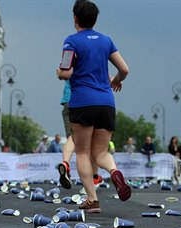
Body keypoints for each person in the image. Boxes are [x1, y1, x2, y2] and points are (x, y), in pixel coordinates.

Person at [56, 0, 131, 213]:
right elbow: (125, 69)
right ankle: (115, 171)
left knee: (82, 152)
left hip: (82, 103)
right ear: (95, 19)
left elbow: (65, 69)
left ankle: (92, 199)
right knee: (100, 152)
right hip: (106, 102)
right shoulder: (106, 41)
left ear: (75, 19)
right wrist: (115, 80)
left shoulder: (71, 42)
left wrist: (60, 73)